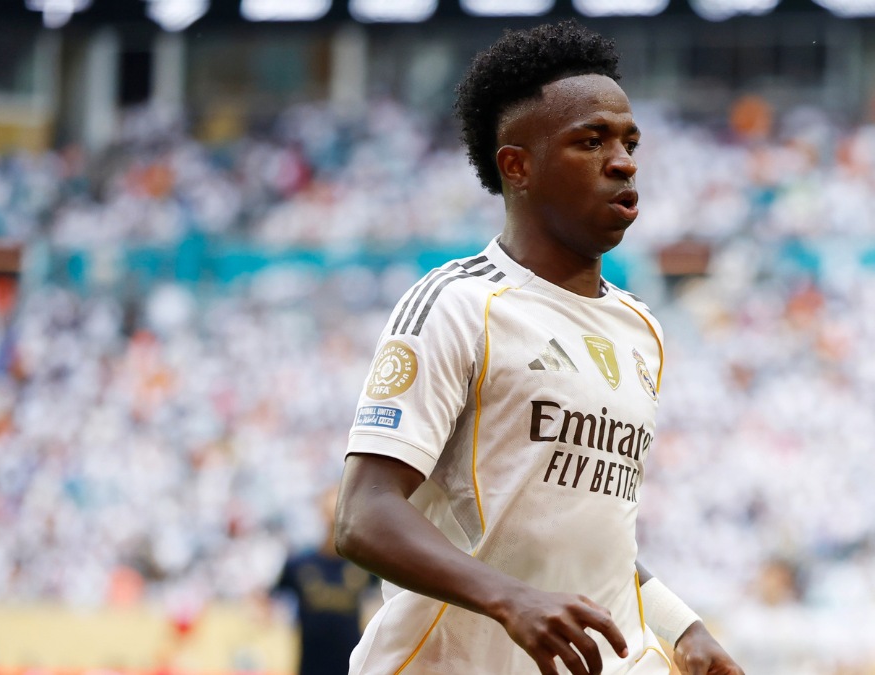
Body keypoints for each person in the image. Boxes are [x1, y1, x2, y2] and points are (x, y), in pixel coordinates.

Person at [333, 21, 744, 675]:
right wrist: (510, 598)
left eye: (630, 142)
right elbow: (363, 515)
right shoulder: (458, 304)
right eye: (591, 141)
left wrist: (681, 626)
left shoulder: (642, 328)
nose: (623, 161)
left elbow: (586, 534)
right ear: (517, 166)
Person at [275, 487, 377, 675]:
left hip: (351, 663)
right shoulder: (299, 565)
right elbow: (271, 599)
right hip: (310, 663)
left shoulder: (364, 565)